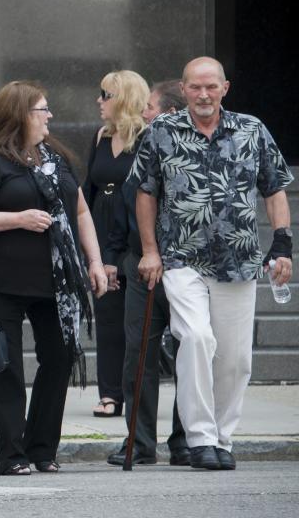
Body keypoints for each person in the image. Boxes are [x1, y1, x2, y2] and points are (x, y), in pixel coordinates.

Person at [132, 57, 293, 471]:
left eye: (211, 87)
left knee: (236, 358)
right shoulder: (161, 133)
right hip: (181, 257)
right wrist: (150, 251)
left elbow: (274, 189)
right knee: (197, 338)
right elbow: (146, 193)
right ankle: (199, 438)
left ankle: (222, 438)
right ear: (183, 90)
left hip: (238, 260)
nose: (203, 95)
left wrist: (282, 244)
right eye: (195, 87)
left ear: (225, 88)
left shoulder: (252, 130)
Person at [0, 81, 107, 476]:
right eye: (42, 109)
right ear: (21, 115)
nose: (49, 116)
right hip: (0, 278)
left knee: (58, 358)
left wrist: (93, 260)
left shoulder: (55, 156)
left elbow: (82, 212)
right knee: (6, 366)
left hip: (55, 279)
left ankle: (42, 448)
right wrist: (17, 219)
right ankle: (13, 454)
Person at [104, 79, 189, 467]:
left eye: (151, 107)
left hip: (187, 267)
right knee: (138, 353)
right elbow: (125, 204)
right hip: (141, 264)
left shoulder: (193, 154)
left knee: (190, 353)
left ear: (171, 113)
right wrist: (122, 255)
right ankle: (139, 441)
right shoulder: (143, 148)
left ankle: (186, 438)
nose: (144, 113)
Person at [84, 71, 149, 418]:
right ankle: (110, 394)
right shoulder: (100, 136)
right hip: (101, 230)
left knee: (135, 321)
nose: (99, 100)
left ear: (123, 99)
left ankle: (135, 390)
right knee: (107, 315)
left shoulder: (148, 138)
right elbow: (89, 189)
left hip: (136, 235)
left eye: (105, 94)